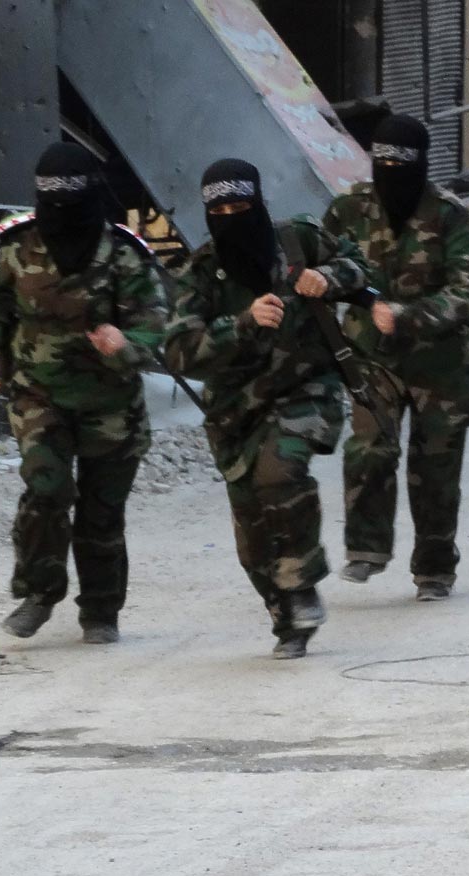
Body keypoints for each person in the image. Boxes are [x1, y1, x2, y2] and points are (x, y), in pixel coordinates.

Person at [163, 158, 369, 658]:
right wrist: (242, 322)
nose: (233, 215)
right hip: (235, 411)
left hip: (307, 389)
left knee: (279, 472)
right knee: (252, 538)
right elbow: (179, 351)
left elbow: (363, 268)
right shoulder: (201, 272)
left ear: (260, 203)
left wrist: (329, 277)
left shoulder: (298, 240)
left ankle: (301, 584)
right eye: (221, 208)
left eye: (242, 205)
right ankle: (286, 616)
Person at [0, 142, 168, 645]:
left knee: (102, 513)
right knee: (46, 489)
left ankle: (101, 611)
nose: (60, 208)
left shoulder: (126, 252)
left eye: (70, 194)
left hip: (111, 403)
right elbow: (2, 308)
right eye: (50, 195)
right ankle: (39, 593)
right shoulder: (17, 245)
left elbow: (154, 328)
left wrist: (126, 345)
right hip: (39, 395)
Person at [322, 114, 469, 601]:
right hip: (373, 359)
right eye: (382, 161)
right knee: (369, 451)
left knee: (435, 470)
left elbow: (466, 291)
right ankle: (366, 550)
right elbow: (329, 264)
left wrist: (409, 315)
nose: (389, 170)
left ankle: (435, 568)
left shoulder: (450, 215)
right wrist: (329, 284)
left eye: (400, 163)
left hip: (440, 365)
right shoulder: (348, 209)